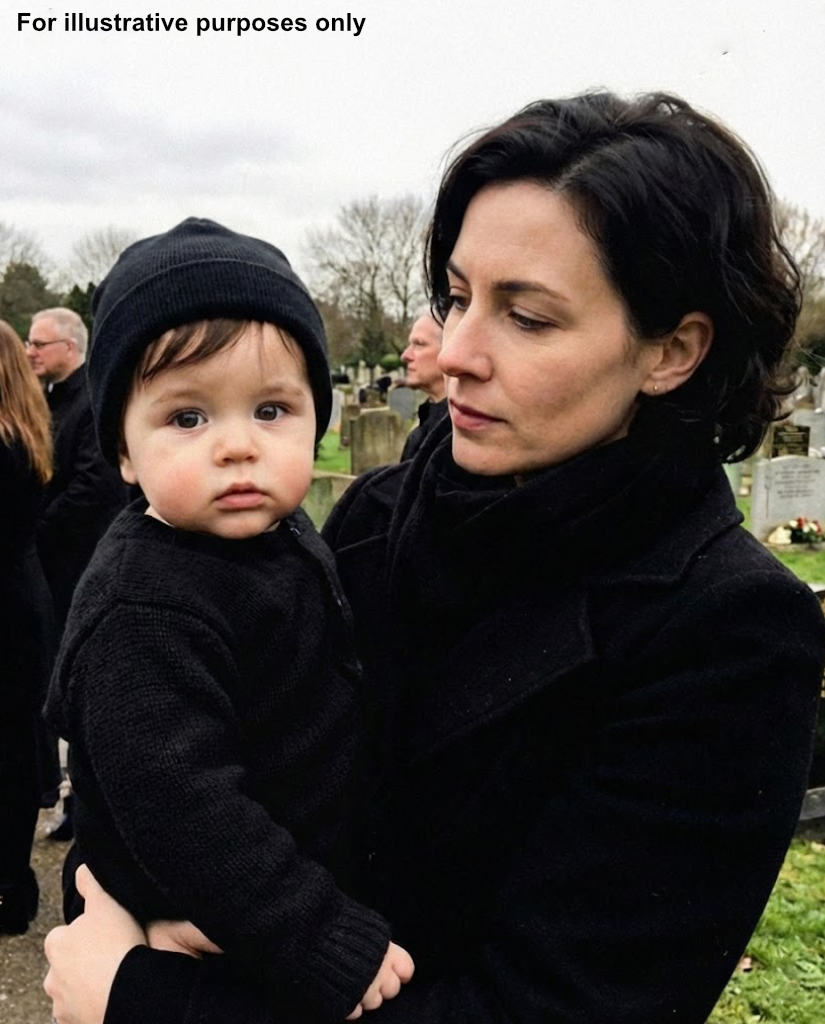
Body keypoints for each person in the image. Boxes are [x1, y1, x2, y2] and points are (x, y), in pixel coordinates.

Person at [45, 92, 825, 1024]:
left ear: (671, 351)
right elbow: (168, 768)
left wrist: (139, 997)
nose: (453, 353)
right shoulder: (377, 517)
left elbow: (560, 1007)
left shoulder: (725, 631)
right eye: (454, 298)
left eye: (525, 317)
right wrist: (128, 909)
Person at [43, 217, 413, 1021]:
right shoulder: (143, 605)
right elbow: (182, 806)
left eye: (271, 409)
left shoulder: (280, 535)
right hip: (198, 919)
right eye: (188, 418)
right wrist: (317, 935)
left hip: (260, 898)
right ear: (123, 453)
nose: (238, 446)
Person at [0, 319, 55, 934]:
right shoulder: (26, 432)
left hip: (6, 611)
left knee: (9, 755)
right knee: (13, 749)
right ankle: (12, 886)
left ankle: (11, 891)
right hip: (22, 600)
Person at [27, 307, 127, 627]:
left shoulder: (93, 402)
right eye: (29, 344)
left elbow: (94, 485)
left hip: (79, 560)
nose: (29, 353)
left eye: (39, 344)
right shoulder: (48, 399)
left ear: (69, 347)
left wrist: (38, 530)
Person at [398, 312, 447, 460]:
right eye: (409, 345)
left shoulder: (460, 439)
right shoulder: (421, 431)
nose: (405, 356)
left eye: (419, 344)